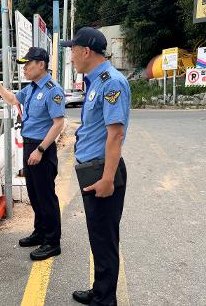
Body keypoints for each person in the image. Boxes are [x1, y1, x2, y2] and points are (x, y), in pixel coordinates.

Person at [61, 27, 131, 306]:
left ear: (86, 51)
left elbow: (116, 134)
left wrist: (107, 179)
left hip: (103, 172)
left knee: (104, 241)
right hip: (93, 168)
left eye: (73, 51)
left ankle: (105, 300)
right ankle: (101, 290)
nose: (72, 57)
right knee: (99, 238)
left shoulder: (111, 82)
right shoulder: (96, 81)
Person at [0, 47, 65, 261]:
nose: (25, 68)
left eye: (28, 63)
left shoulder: (52, 89)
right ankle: (40, 232)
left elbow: (58, 124)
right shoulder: (31, 89)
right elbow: (11, 99)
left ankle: (52, 242)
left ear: (41, 64)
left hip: (42, 149)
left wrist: (40, 150)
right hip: (30, 146)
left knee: (46, 197)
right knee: (35, 194)